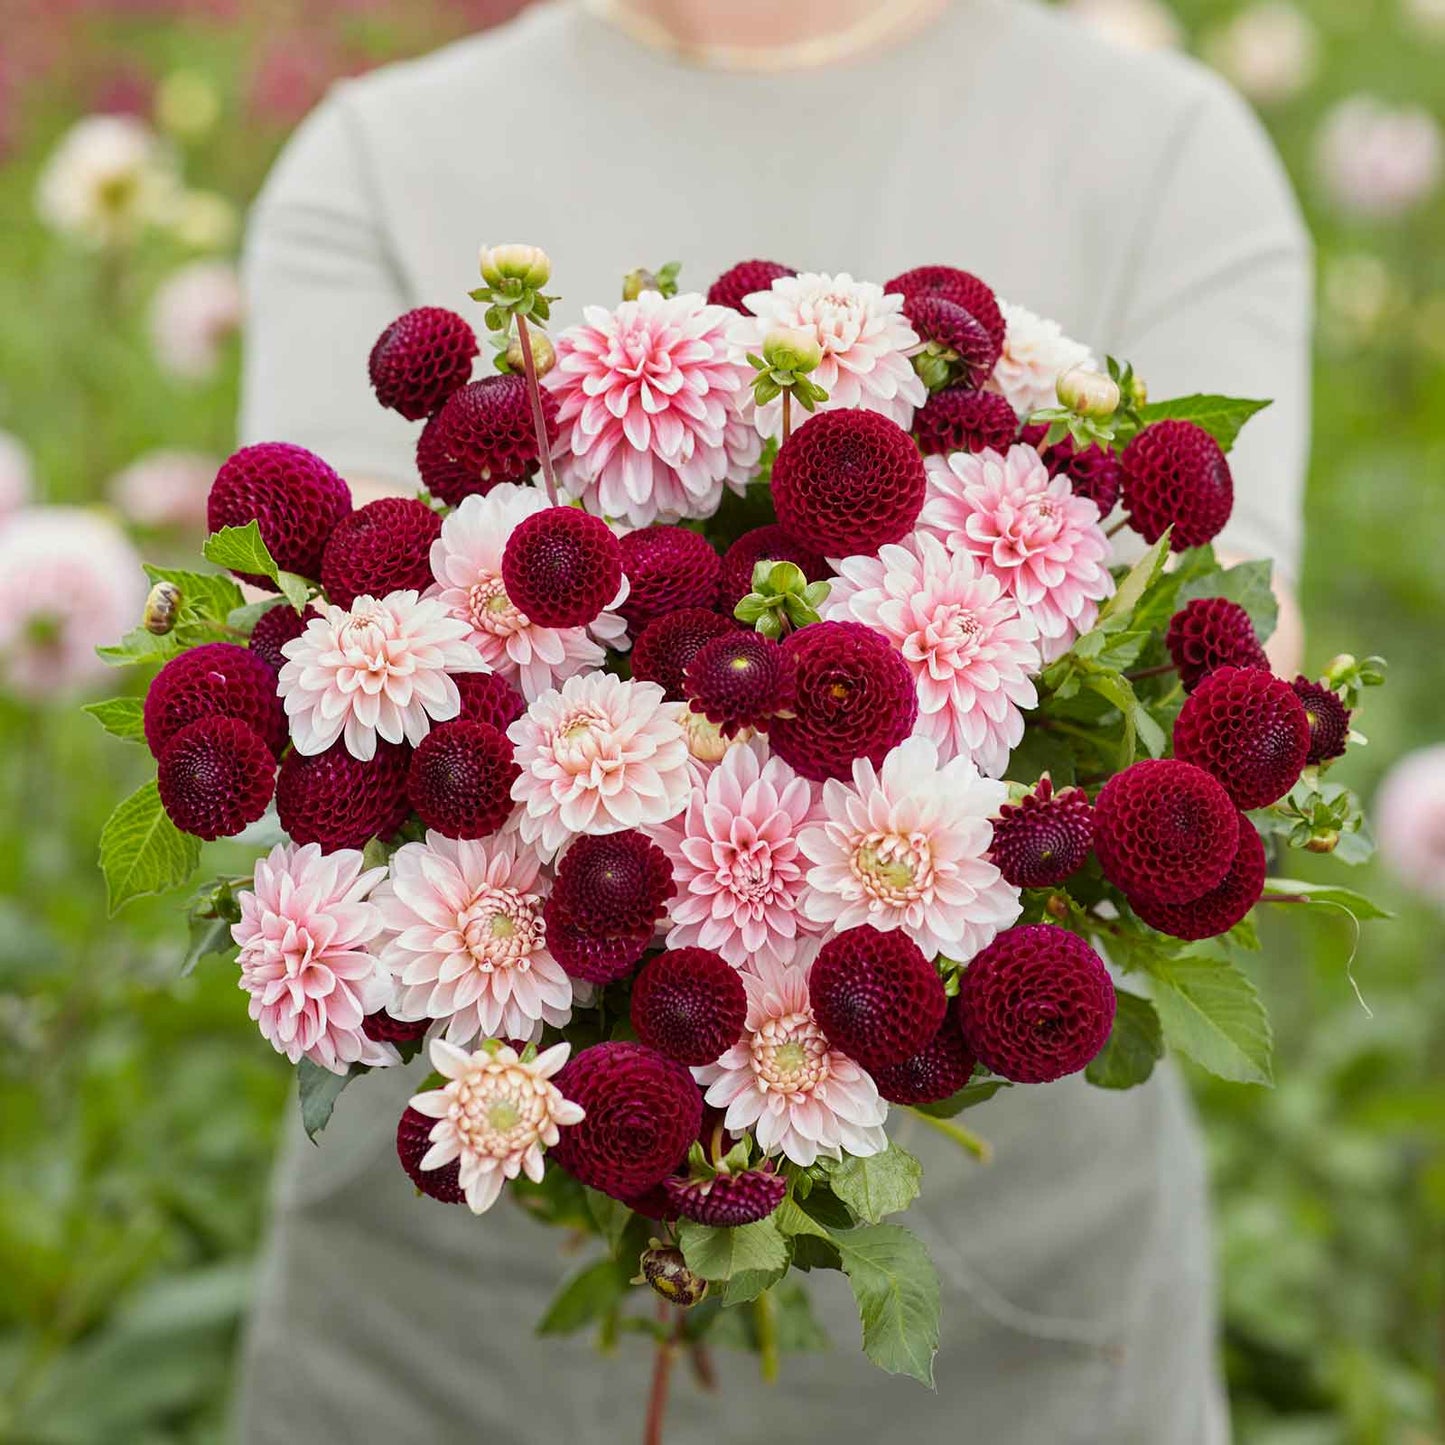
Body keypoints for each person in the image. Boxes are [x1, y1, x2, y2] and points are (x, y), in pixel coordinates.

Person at [235, 2, 1310, 1440]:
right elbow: (326, 669)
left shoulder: (1163, 147)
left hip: (1015, 1285)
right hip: (442, 1285)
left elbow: (1230, 660)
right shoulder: (378, 153)